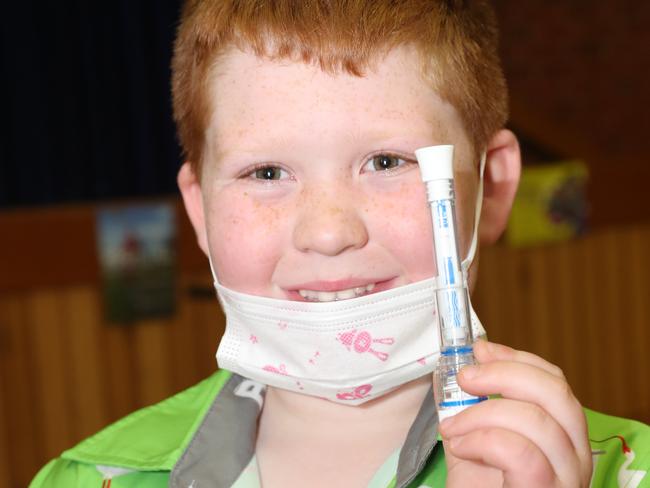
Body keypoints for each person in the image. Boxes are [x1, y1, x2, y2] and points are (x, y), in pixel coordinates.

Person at [31, 1, 649, 487]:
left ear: (491, 186)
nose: (327, 233)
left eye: (386, 161)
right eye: (266, 173)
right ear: (199, 208)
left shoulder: (625, 471)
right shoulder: (89, 479)